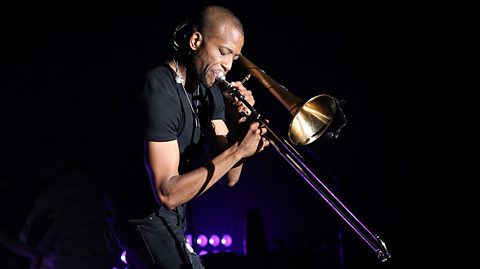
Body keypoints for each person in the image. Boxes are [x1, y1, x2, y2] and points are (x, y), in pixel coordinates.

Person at [107, 5, 269, 269]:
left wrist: (237, 122)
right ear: (195, 41)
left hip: (171, 219)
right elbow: (167, 192)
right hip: (139, 218)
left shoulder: (211, 93)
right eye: (223, 52)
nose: (228, 65)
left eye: (234, 57)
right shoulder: (160, 89)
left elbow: (229, 177)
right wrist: (239, 151)